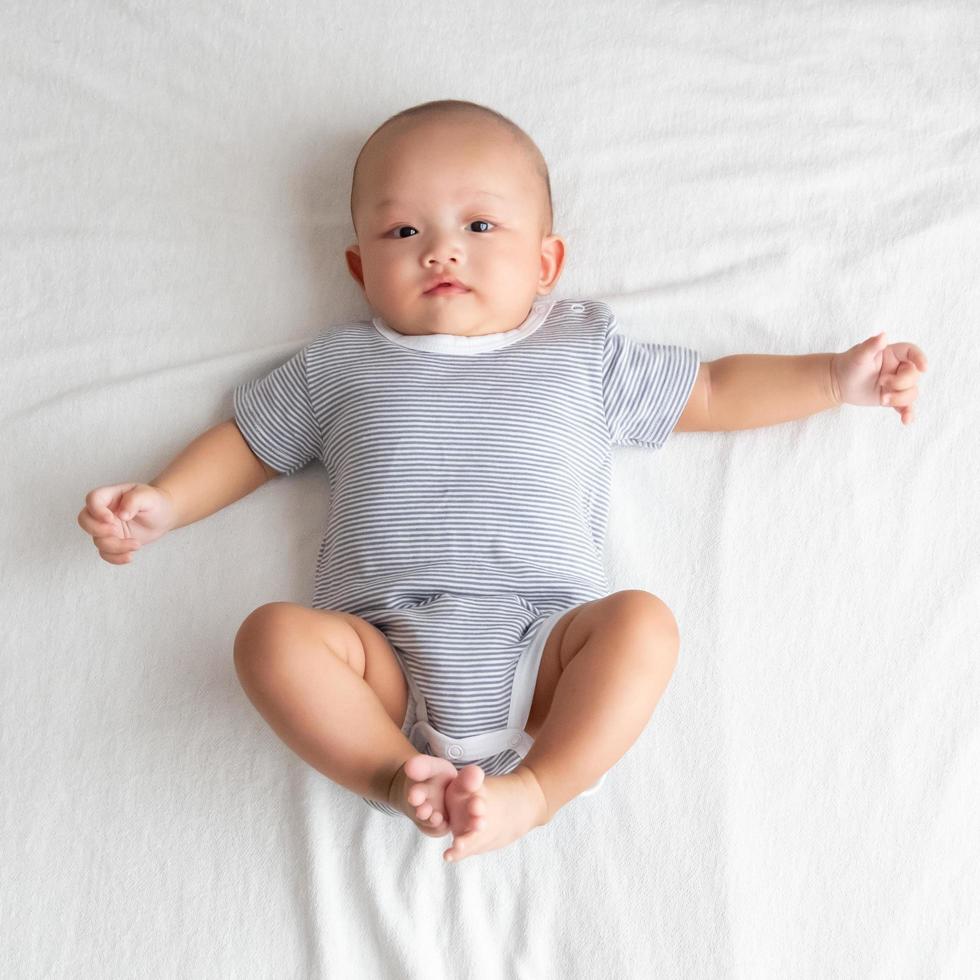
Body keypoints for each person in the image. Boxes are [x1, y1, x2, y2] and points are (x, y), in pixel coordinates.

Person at [77, 99, 928, 865]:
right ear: (356, 267)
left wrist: (830, 380)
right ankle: (391, 777)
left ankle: (538, 790)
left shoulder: (582, 351)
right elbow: (249, 444)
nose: (442, 247)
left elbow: (709, 391)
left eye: (481, 226)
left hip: (545, 646)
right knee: (269, 638)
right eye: (402, 232)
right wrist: (165, 502)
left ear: (548, 261)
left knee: (642, 624)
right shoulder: (336, 366)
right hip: (381, 663)